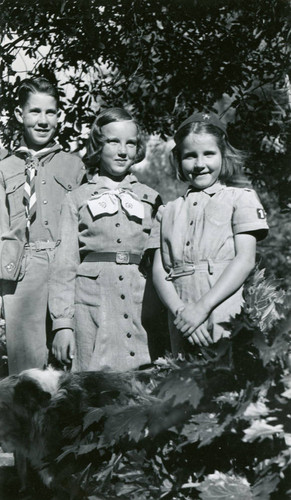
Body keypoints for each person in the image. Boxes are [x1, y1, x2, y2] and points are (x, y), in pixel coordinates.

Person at [49, 107, 163, 372]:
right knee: (92, 391)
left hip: (140, 304)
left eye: (130, 143)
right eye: (113, 141)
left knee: (141, 386)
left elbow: (161, 261)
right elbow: (64, 264)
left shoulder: (151, 198)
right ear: (98, 145)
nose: (122, 151)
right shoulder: (77, 198)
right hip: (92, 306)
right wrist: (62, 325)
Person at [153, 112, 269, 356]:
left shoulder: (240, 199)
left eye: (209, 154)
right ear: (178, 160)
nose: (199, 164)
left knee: (227, 383)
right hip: (181, 321)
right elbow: (160, 270)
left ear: (223, 155)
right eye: (190, 156)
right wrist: (182, 314)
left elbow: (245, 260)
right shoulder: (167, 211)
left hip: (224, 314)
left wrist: (202, 308)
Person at [0, 77, 85, 374]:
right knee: (27, 373)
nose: (42, 120)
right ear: (19, 115)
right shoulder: (5, 167)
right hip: (21, 272)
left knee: (70, 361)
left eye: (50, 112)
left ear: (59, 116)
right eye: (35, 111)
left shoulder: (74, 165)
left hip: (66, 264)